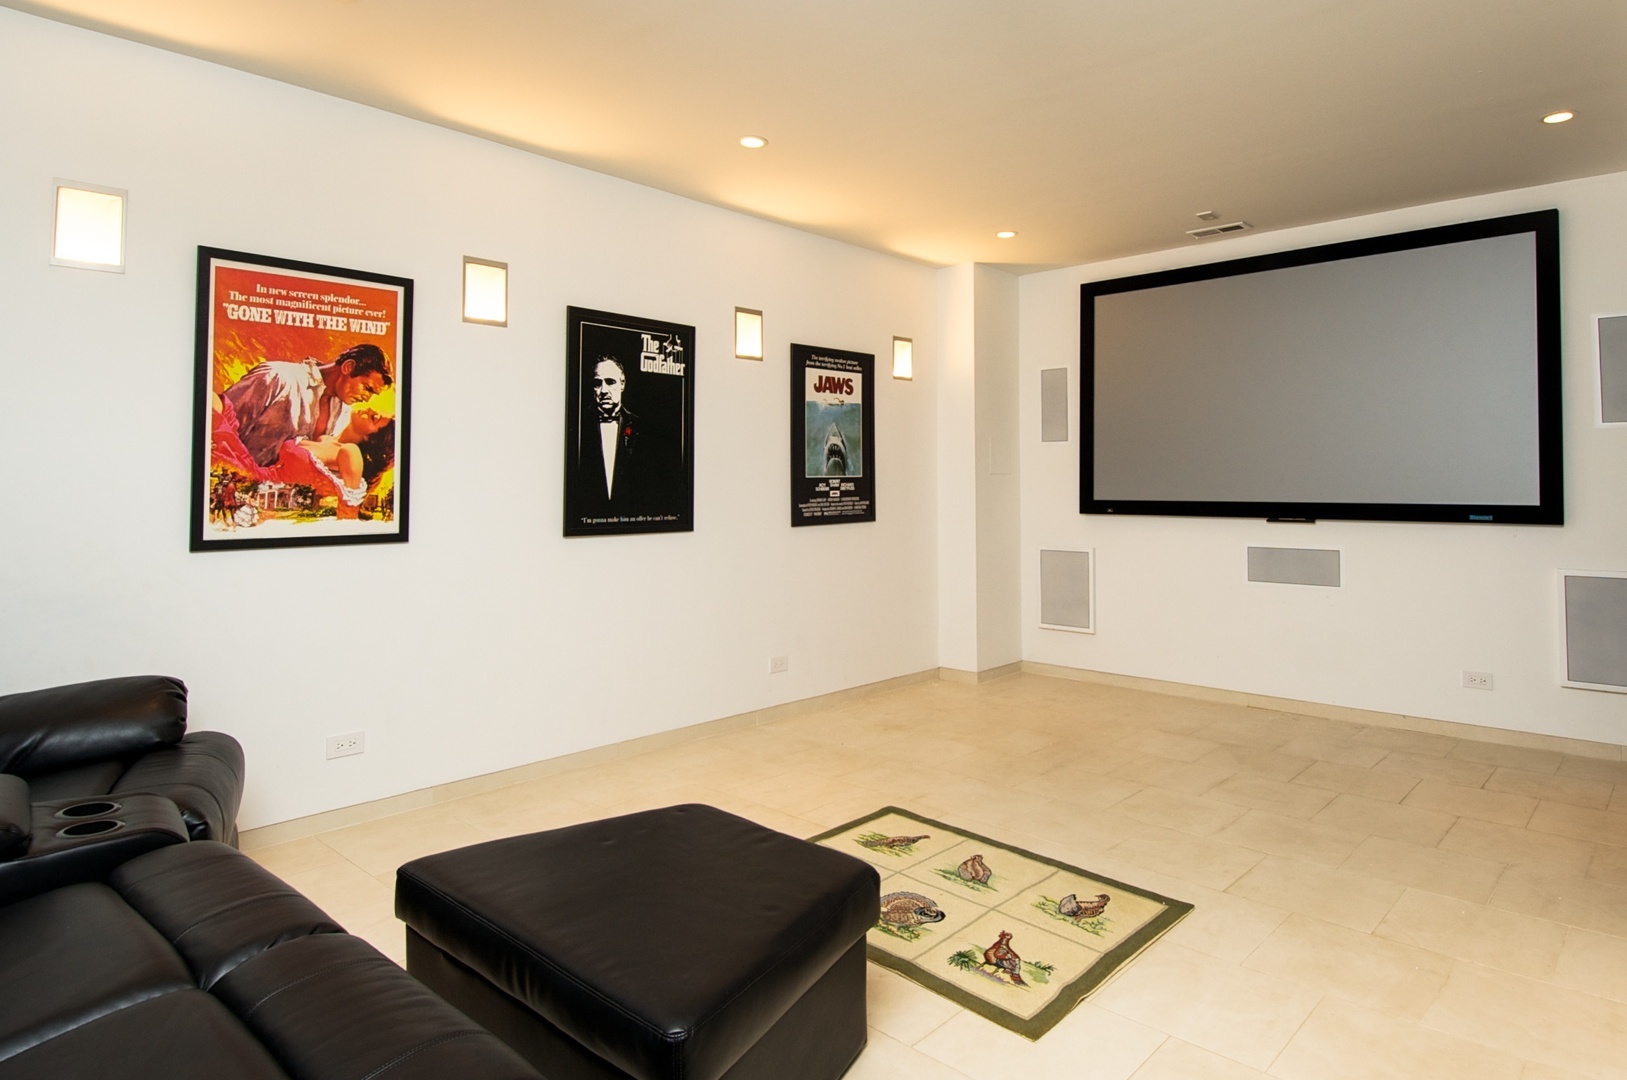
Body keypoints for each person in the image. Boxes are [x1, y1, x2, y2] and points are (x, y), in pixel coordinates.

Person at [221, 343, 392, 468]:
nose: (367, 398)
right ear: (348, 367)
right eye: (367, 388)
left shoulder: (343, 413)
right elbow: (218, 429)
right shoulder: (277, 377)